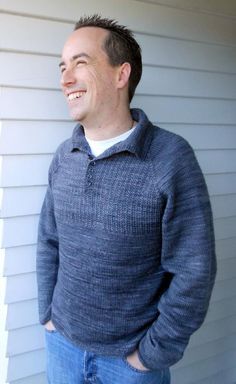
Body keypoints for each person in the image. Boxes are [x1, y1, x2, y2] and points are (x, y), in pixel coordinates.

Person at [36, 14, 216, 384]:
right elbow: (49, 240)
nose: (65, 79)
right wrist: (48, 316)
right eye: (63, 67)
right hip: (62, 349)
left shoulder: (170, 158)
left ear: (121, 75)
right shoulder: (64, 156)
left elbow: (194, 271)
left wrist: (149, 356)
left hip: (129, 365)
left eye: (80, 64)